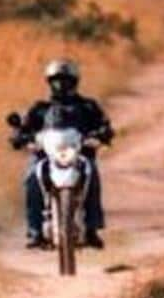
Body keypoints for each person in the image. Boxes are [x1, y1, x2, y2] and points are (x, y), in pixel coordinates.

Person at [9, 58, 113, 249]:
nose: (61, 85)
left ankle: (92, 229)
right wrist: (19, 136)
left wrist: (103, 133)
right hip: (45, 156)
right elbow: (24, 128)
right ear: (49, 82)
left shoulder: (88, 106)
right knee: (31, 178)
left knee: (92, 175)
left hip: (80, 155)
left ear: (75, 82)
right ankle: (35, 231)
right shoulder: (40, 108)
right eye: (57, 80)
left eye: (66, 80)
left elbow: (104, 124)